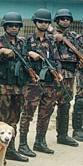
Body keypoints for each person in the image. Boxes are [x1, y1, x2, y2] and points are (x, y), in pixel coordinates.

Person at [0, 12, 29, 163]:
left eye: (16, 25)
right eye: (10, 25)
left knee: (14, 121)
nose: (14, 28)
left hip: (18, 87)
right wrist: (0, 53)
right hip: (3, 87)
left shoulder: (23, 43)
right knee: (1, 121)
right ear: (5, 26)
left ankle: (10, 150)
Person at [19, 9, 60, 157]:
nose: (43, 24)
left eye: (46, 22)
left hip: (49, 83)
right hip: (32, 84)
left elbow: (56, 59)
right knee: (27, 114)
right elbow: (21, 59)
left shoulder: (51, 41)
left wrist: (58, 73)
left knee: (46, 113)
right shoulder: (27, 40)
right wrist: (30, 54)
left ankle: (40, 142)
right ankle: (22, 144)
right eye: (41, 21)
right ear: (35, 22)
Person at [49, 9, 79, 147]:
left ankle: (63, 135)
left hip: (70, 74)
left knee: (66, 104)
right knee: (48, 106)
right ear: (57, 20)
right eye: (62, 18)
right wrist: (55, 38)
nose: (65, 21)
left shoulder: (74, 36)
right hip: (56, 74)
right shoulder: (50, 33)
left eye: (67, 18)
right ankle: (40, 139)